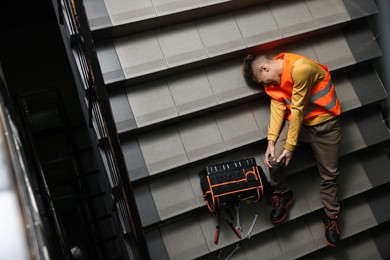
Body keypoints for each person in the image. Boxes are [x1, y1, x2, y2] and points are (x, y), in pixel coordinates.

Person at [242, 52, 341, 247]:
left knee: (330, 175)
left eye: (263, 81)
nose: (266, 86)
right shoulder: (274, 81)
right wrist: (271, 142)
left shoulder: (301, 68)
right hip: (300, 126)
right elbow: (278, 107)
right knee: (273, 160)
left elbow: (297, 110)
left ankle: (331, 217)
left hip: (326, 127)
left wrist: (289, 146)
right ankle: (283, 193)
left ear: (265, 68)